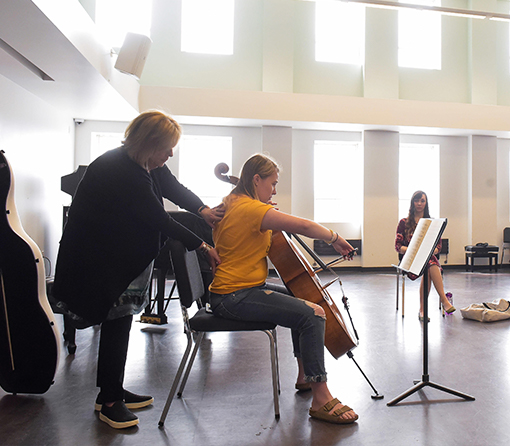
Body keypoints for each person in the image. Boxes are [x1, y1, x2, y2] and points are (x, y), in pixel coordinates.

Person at [52, 110, 221, 429]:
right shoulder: (121, 169)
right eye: (168, 147)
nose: (170, 154)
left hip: (118, 258)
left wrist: (202, 209)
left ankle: (112, 391)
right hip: (99, 262)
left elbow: (173, 187)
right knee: (116, 322)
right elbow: (159, 218)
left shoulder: (143, 162)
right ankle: (110, 402)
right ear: (150, 142)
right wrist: (202, 245)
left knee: (121, 324)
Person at [208, 153, 359, 425]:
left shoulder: (232, 202)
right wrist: (334, 238)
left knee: (299, 299)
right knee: (312, 314)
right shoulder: (251, 210)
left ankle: (305, 376)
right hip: (234, 296)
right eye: (272, 183)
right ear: (256, 180)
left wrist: (262, 207)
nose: (274, 190)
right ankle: (321, 396)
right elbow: (302, 225)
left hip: (235, 290)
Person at [395, 190, 455, 321]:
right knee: (431, 264)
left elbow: (438, 247)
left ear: (426, 203)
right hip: (411, 260)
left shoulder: (433, 223)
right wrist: (414, 250)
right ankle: (444, 300)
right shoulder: (403, 222)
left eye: (422, 201)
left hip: (427, 259)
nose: (419, 203)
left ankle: (422, 310)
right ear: (412, 203)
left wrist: (427, 251)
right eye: (416, 201)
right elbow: (398, 247)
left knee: (429, 263)